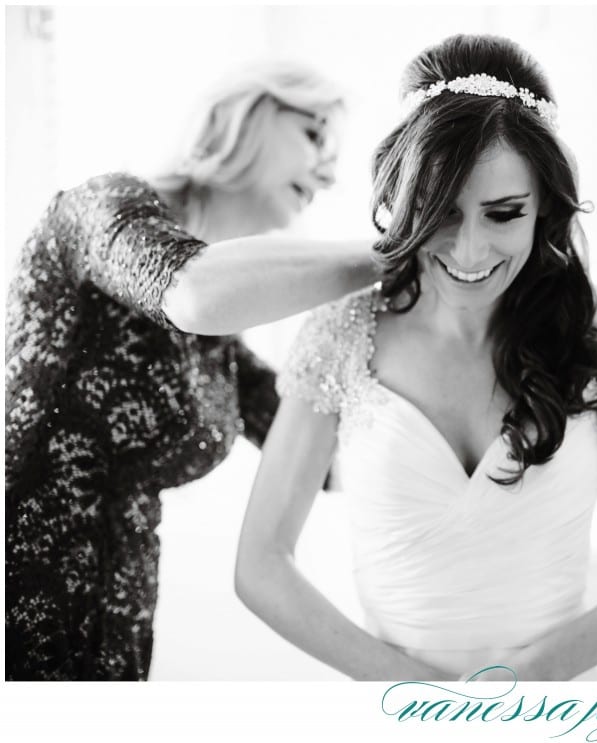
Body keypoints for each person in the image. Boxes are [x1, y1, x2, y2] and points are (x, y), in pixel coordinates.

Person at [234, 34, 597, 682]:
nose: (468, 251)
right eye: (441, 212)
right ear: (405, 204)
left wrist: (532, 677)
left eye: (502, 213)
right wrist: (412, 691)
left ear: (543, 205)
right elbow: (261, 563)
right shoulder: (344, 331)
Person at [5, 60, 377, 680]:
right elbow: (193, 291)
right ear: (243, 120)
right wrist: (396, 254)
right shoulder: (101, 208)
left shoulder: (217, 348)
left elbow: (331, 456)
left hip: (115, 634)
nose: (330, 171)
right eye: (313, 135)